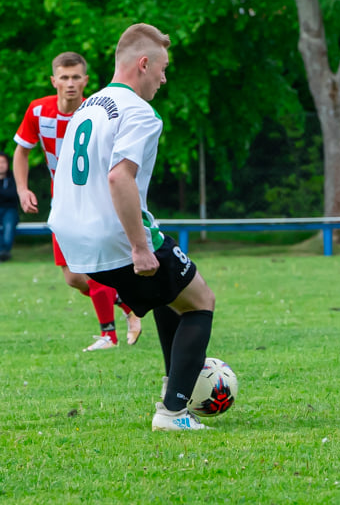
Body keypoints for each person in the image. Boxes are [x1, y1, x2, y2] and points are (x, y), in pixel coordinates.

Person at [49, 23, 216, 431]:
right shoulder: (140, 112)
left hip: (71, 236)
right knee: (201, 301)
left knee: (170, 294)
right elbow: (119, 178)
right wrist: (140, 247)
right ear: (144, 63)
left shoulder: (86, 107)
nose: (163, 77)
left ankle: (173, 388)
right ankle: (173, 411)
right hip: (114, 235)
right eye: (162, 68)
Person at [13, 52, 142, 350]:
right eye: (64, 77)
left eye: (76, 77)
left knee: (93, 269)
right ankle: (129, 306)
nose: (70, 83)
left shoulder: (96, 111)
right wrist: (22, 189)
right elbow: (22, 150)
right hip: (62, 202)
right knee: (73, 277)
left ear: (85, 80)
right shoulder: (38, 111)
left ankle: (107, 335)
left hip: (93, 198)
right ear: (53, 80)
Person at [0, 153, 19, 261]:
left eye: (3, 162)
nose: (1, 165)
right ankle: (2, 252)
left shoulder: (14, 177)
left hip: (10, 210)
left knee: (9, 225)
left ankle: (4, 251)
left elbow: (14, 194)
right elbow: (9, 194)